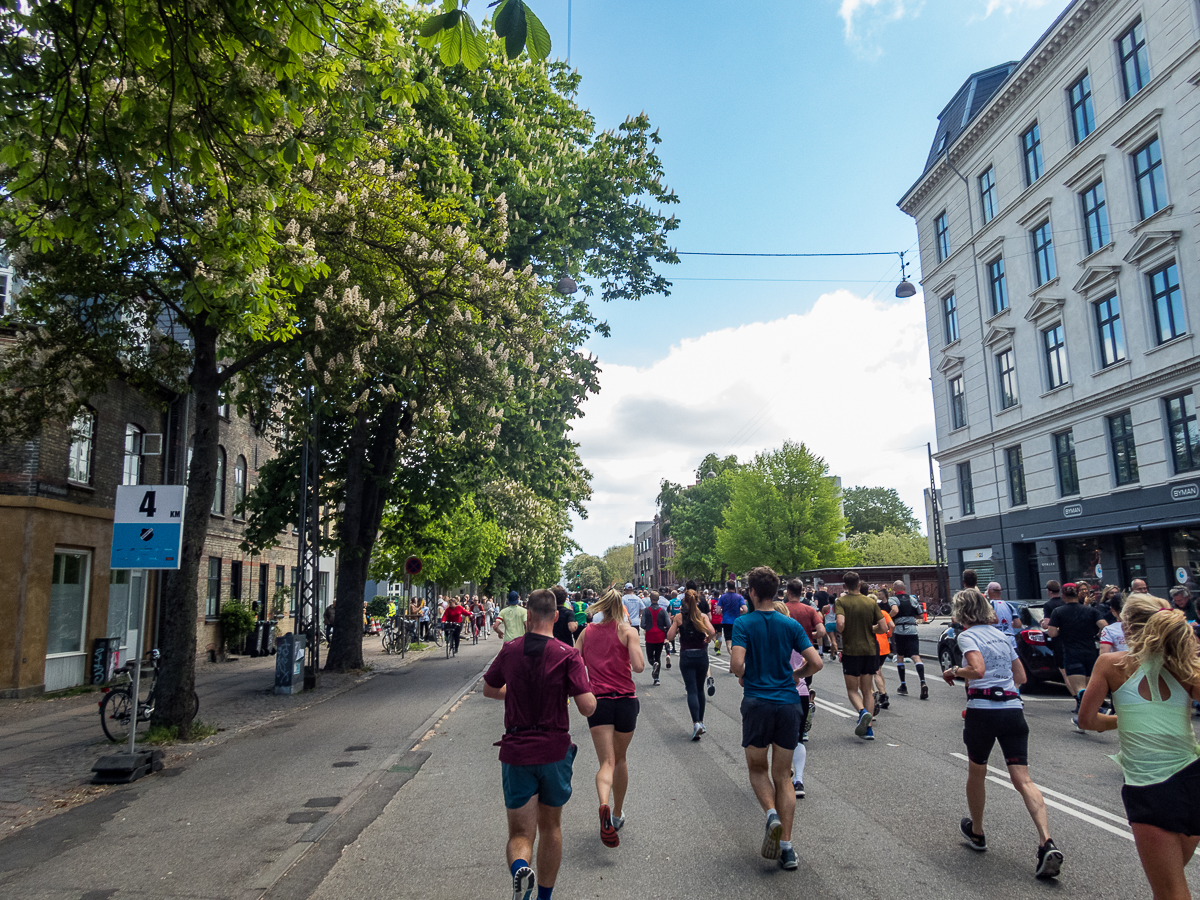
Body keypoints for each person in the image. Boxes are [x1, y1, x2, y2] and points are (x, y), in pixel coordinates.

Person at [1078, 593, 1200, 900]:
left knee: (1170, 891)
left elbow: (1087, 720)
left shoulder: (1111, 664)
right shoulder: (1184, 663)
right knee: (1170, 884)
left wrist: (1123, 719)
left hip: (1150, 785)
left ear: (1126, 625)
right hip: (1193, 779)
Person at [483, 589, 597, 900]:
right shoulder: (567, 654)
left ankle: (520, 869)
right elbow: (587, 707)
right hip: (553, 750)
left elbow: (489, 689)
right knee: (551, 829)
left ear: (528, 615)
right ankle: (544, 896)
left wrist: (517, 694)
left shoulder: (510, 650)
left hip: (517, 749)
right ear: (556, 616)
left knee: (520, 834)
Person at [942, 587, 1063, 879]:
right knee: (1023, 778)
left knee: (977, 771)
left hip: (983, 710)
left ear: (961, 613)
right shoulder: (1002, 636)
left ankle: (978, 831)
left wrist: (955, 672)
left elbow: (977, 669)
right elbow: (1020, 677)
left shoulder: (967, 635)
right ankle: (1046, 840)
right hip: (1012, 709)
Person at [730, 566, 823, 871]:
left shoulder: (744, 623)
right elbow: (817, 663)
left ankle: (771, 815)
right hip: (787, 704)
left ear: (752, 592)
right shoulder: (790, 624)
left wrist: (748, 675)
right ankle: (788, 848)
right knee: (783, 776)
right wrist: (794, 675)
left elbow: (736, 665)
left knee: (758, 769)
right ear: (776, 592)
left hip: (757, 703)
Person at [575, 587, 645, 848]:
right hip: (625, 700)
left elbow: (574, 661)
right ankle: (616, 814)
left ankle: (603, 802)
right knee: (621, 760)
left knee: (606, 762)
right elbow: (638, 667)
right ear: (622, 610)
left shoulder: (587, 632)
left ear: (601, 608)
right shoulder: (628, 632)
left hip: (599, 702)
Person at [836, 571, 888, 740]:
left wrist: (843, 630)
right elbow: (884, 627)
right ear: (859, 584)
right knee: (867, 690)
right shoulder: (870, 602)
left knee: (852, 690)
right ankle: (869, 729)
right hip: (870, 650)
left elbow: (841, 625)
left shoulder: (841, 602)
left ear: (844, 586)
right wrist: (870, 629)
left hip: (852, 651)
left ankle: (862, 712)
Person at [1047, 583, 1107, 717]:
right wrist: (1097, 634)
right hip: (1090, 651)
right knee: (1089, 685)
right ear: (1077, 593)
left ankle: (1092, 709)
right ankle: (1085, 715)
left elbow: (1051, 633)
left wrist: (1060, 629)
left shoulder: (1058, 611)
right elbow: (1104, 626)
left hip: (1071, 651)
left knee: (1079, 687)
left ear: (1064, 595)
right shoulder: (1091, 611)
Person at [667, 588, 716, 740]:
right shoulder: (701, 617)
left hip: (686, 655)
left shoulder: (679, 617)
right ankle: (701, 721)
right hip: (701, 655)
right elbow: (712, 631)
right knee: (700, 689)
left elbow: (669, 636)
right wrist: (708, 637)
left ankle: (696, 723)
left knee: (691, 690)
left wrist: (675, 624)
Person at [889, 580, 929, 699]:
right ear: (905, 588)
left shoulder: (894, 599)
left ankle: (903, 685)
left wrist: (887, 617)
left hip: (900, 630)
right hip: (912, 629)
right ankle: (922, 682)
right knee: (915, 656)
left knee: (900, 656)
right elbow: (921, 615)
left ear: (894, 589)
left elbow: (895, 610)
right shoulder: (912, 599)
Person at [640, 592, 671, 685]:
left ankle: (653, 664)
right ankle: (656, 679)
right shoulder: (662, 611)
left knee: (650, 657)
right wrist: (664, 628)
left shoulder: (646, 611)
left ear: (650, 599)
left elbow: (642, 624)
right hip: (660, 636)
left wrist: (647, 627)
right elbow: (668, 624)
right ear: (658, 599)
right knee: (658, 656)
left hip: (650, 636)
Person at [717, 580, 748, 659]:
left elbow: (717, 610)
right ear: (734, 587)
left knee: (728, 642)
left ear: (727, 587)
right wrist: (740, 610)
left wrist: (723, 611)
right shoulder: (739, 597)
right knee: (736, 641)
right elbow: (745, 609)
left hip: (726, 621)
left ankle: (733, 658)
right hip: (737, 621)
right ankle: (736, 659)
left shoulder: (723, 597)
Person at [987, 582, 1019, 649]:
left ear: (989, 591)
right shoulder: (1010, 606)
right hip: (1010, 639)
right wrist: (1007, 625)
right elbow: (1018, 624)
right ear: (1000, 592)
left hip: (996, 639)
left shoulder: (988, 605)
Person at [709, 590, 724, 655]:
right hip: (720, 620)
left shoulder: (711, 602)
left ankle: (715, 641)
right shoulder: (721, 602)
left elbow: (709, 610)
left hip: (713, 620)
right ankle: (718, 650)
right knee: (719, 635)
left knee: (712, 634)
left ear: (713, 595)